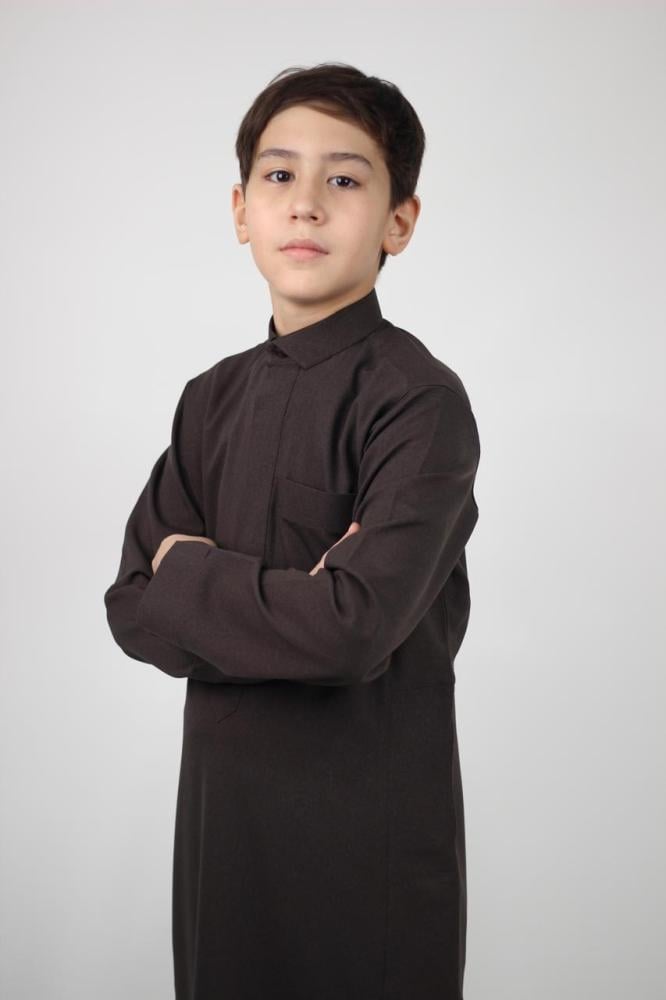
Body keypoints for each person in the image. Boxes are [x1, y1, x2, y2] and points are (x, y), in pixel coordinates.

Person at [104, 62, 481, 1000]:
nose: (306, 203)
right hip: (221, 837)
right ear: (242, 210)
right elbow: (132, 608)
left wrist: (194, 579)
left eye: (344, 179)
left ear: (399, 221)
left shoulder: (419, 403)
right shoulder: (210, 398)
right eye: (279, 175)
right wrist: (293, 603)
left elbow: (351, 629)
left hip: (367, 844)